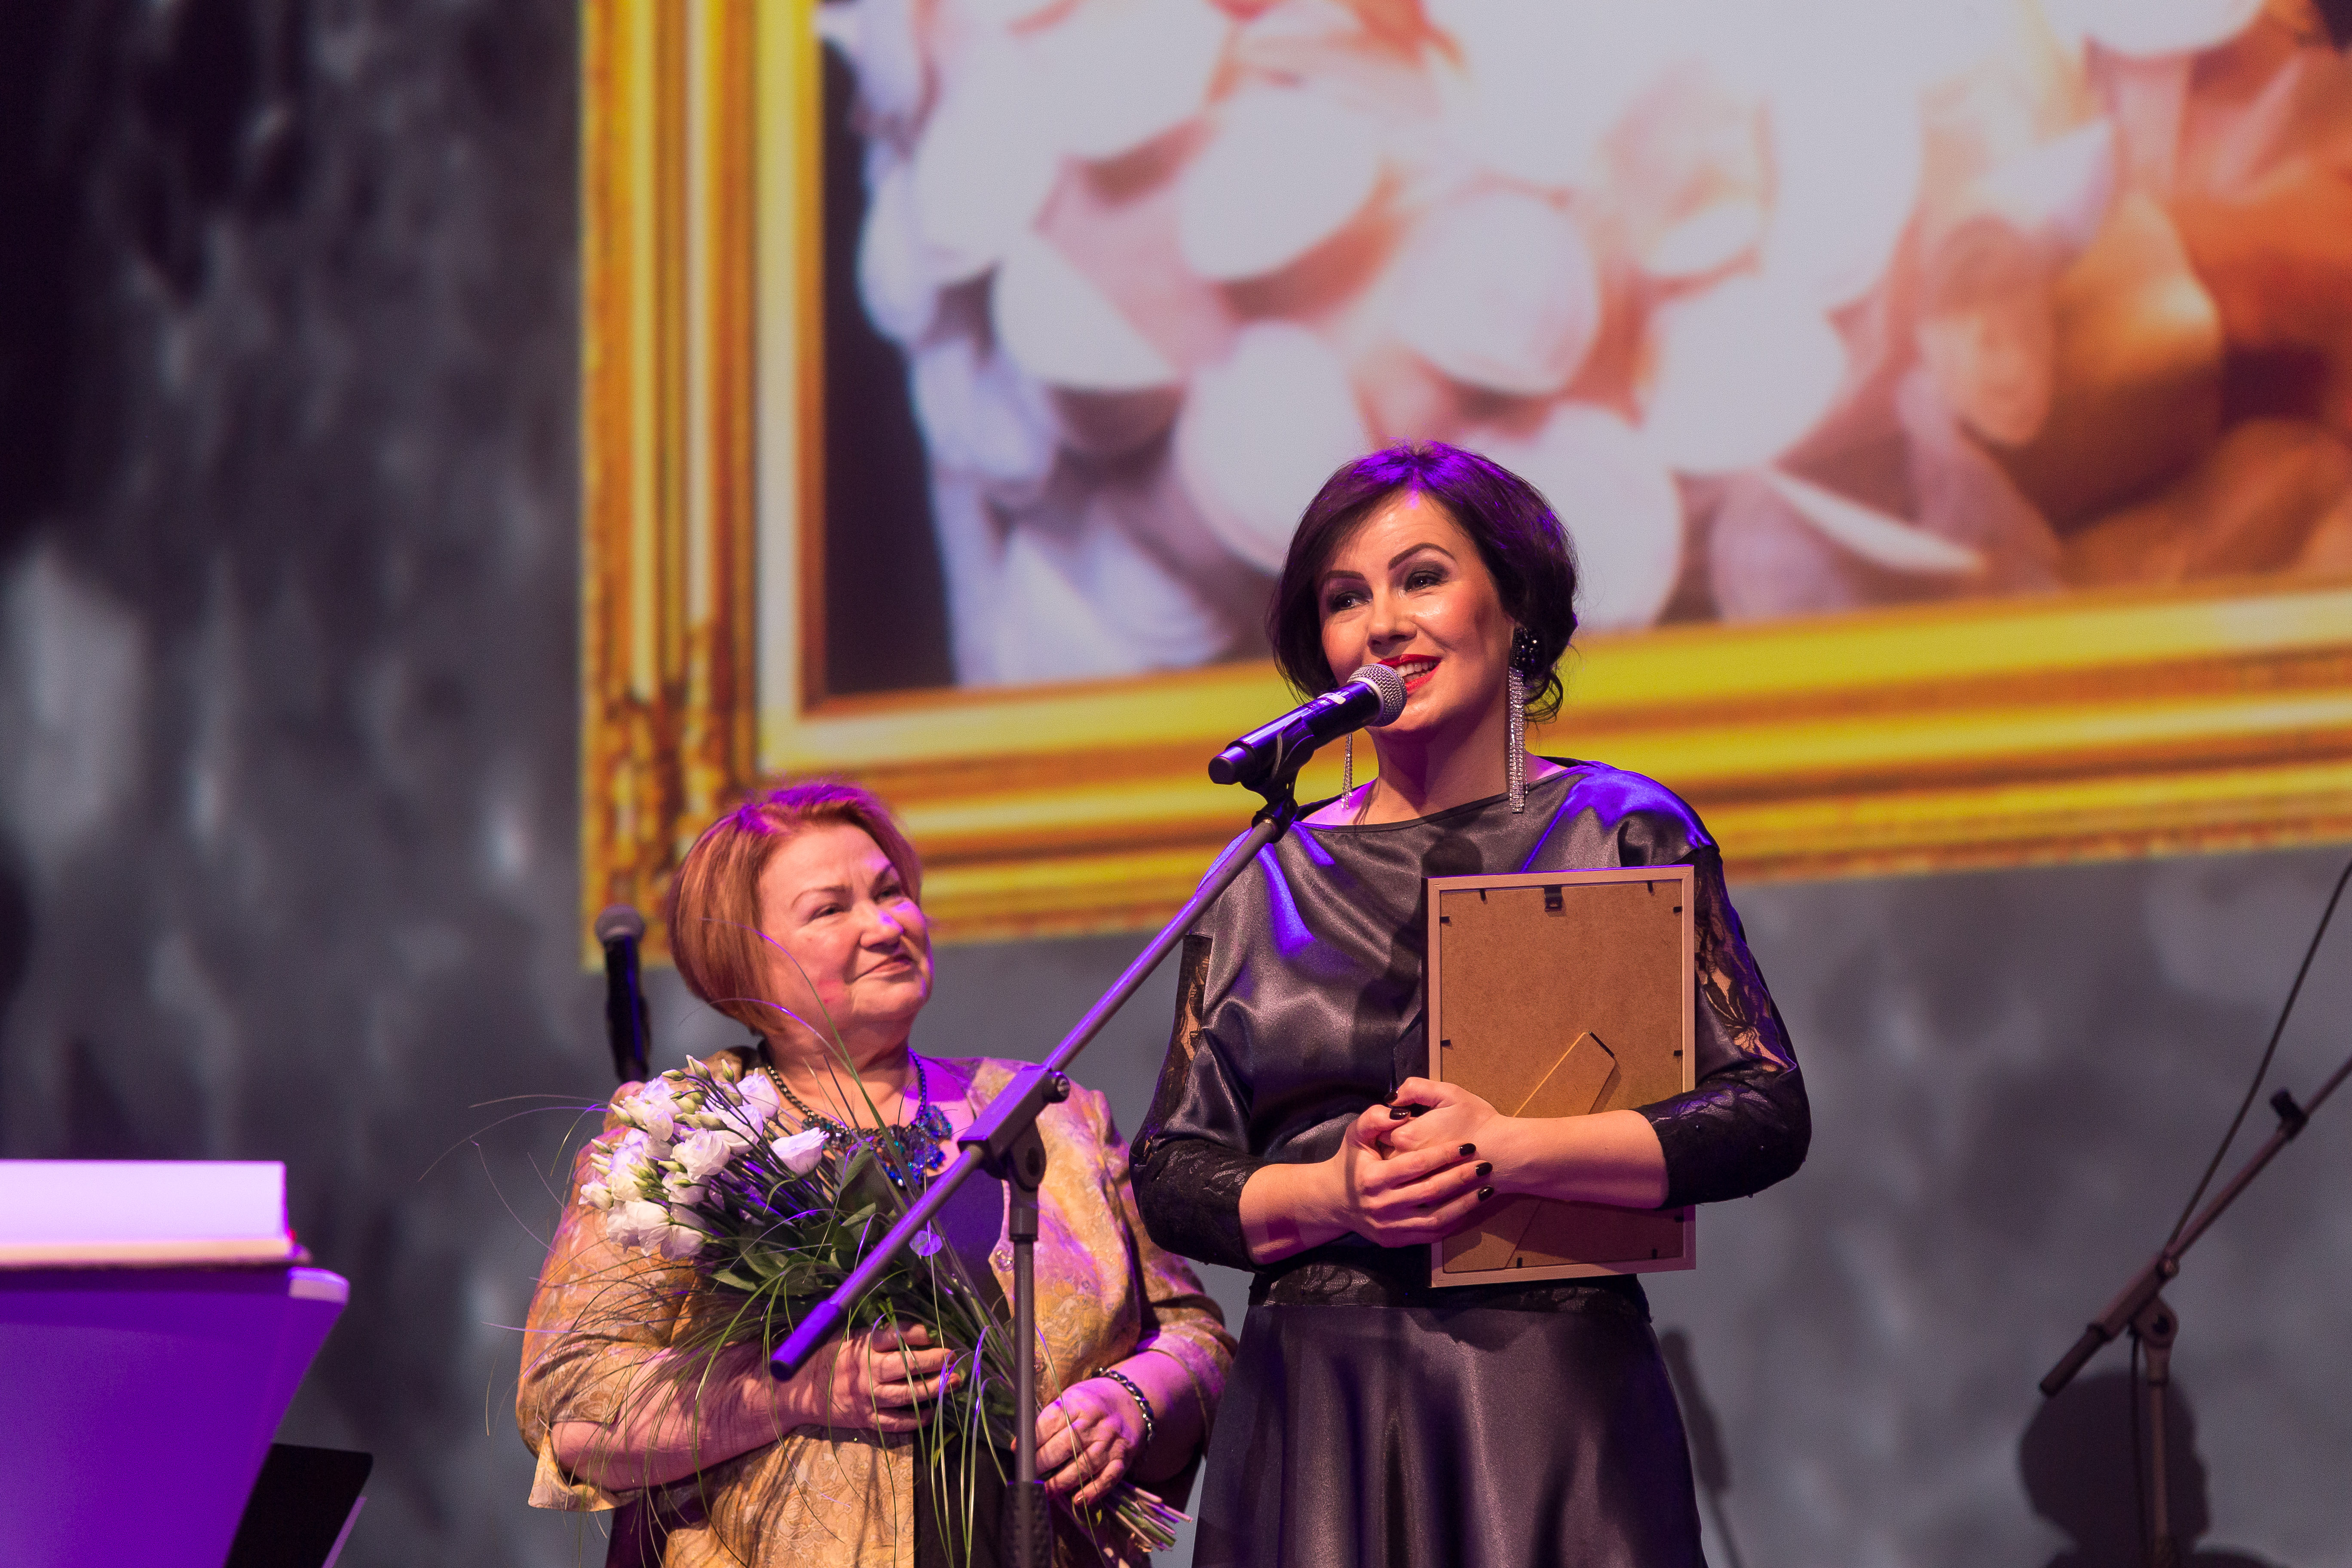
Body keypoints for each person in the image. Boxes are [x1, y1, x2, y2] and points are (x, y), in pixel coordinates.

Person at [1128, 441, 1811, 1567]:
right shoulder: (1266, 872)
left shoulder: (1620, 831)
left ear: (1516, 603)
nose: (1384, 624)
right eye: (1346, 598)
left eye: (1423, 579)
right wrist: (1336, 1192)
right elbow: (1171, 1170)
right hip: (1319, 1410)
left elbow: (1764, 1110)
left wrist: (1513, 1152)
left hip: (1543, 1393)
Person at [518, 780, 1232, 1567]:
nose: (886, 925)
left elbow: (1193, 1334)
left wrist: (1132, 1399)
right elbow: (570, 1402)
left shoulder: (1051, 1114)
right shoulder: (683, 1136)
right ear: (742, 962)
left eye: (891, 893)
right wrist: (787, 1395)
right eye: (830, 909)